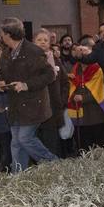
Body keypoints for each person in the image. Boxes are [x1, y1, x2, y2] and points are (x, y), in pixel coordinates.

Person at [0, 18, 58, 172]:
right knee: (16, 142)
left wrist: (26, 85)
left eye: (2, 32)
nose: (0, 35)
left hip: (33, 105)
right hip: (15, 105)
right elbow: (4, 74)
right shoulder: (5, 54)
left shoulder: (33, 51)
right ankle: (19, 176)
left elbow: (50, 75)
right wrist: (0, 82)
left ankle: (54, 163)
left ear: (8, 34)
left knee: (25, 138)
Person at [67, 38, 104, 151]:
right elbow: (72, 87)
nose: (82, 54)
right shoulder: (75, 68)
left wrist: (83, 97)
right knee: (84, 147)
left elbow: (99, 89)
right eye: (80, 52)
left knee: (101, 147)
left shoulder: (97, 68)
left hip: (97, 114)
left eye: (85, 51)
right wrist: (73, 95)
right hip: (81, 115)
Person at [34, 29, 68, 157]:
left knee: (52, 144)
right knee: (37, 145)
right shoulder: (29, 61)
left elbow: (65, 83)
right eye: (39, 40)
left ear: (49, 43)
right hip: (35, 109)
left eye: (45, 40)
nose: (42, 42)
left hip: (53, 109)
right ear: (33, 42)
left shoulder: (56, 60)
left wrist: (62, 100)